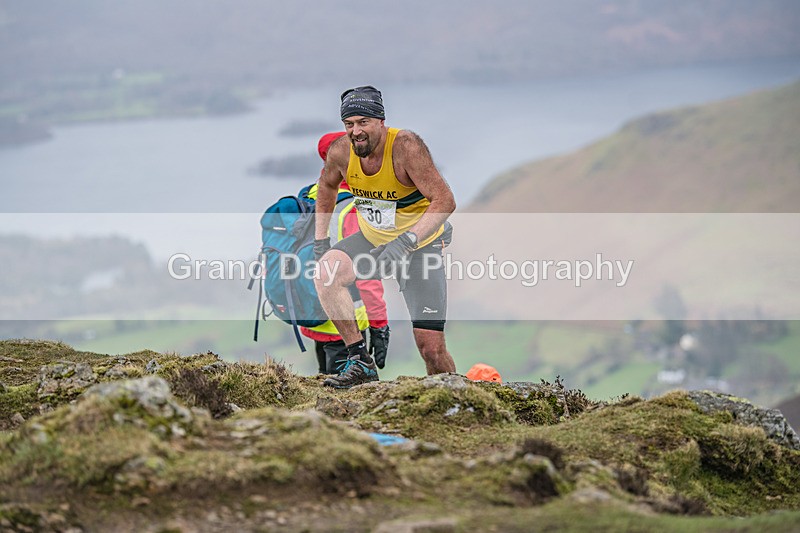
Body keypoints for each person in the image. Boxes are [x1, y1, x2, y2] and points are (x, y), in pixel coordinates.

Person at [313, 85, 457, 388]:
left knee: (431, 348)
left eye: (363, 122)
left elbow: (444, 200)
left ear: (381, 121)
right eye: (349, 124)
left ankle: (453, 394)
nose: (356, 132)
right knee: (327, 271)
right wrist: (320, 240)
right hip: (372, 240)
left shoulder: (405, 147)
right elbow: (326, 187)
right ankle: (359, 360)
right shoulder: (341, 151)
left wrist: (406, 241)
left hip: (420, 246)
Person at [300, 132, 390, 374]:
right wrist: (379, 324)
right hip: (346, 320)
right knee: (348, 391)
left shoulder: (308, 196)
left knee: (325, 381)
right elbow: (367, 273)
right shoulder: (354, 207)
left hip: (313, 312)